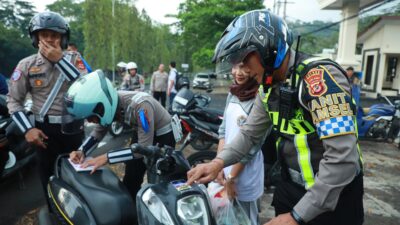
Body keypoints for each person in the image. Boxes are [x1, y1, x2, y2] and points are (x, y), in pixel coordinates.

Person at [187, 9, 363, 225]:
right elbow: (250, 135)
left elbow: (342, 160)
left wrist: (296, 217)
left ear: (268, 50)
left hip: (333, 197)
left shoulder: (320, 79)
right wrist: (217, 163)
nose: (242, 71)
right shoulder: (268, 87)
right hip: (290, 189)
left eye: (243, 61)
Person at [67, 70, 175, 224]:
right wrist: (81, 150)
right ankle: (130, 215)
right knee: (131, 176)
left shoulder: (141, 106)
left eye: (91, 116)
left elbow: (143, 148)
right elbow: (99, 131)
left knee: (159, 181)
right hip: (142, 134)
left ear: (101, 106)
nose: (91, 121)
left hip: (162, 136)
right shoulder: (110, 103)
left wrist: (105, 158)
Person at [7, 11, 88, 199]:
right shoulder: (26, 65)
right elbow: (14, 100)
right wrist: (28, 130)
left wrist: (60, 59)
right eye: (44, 35)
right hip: (44, 131)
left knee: (78, 174)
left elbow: (87, 87)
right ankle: (53, 212)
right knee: (48, 176)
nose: (50, 40)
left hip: (73, 129)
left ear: (63, 38)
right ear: (36, 38)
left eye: (55, 35)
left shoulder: (75, 60)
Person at [216, 69, 264, 225]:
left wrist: (232, 178)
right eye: (235, 66)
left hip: (245, 173)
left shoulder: (260, 98)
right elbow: (223, 131)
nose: (238, 72)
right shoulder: (233, 93)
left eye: (244, 67)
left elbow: (252, 147)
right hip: (226, 168)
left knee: (246, 219)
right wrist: (218, 165)